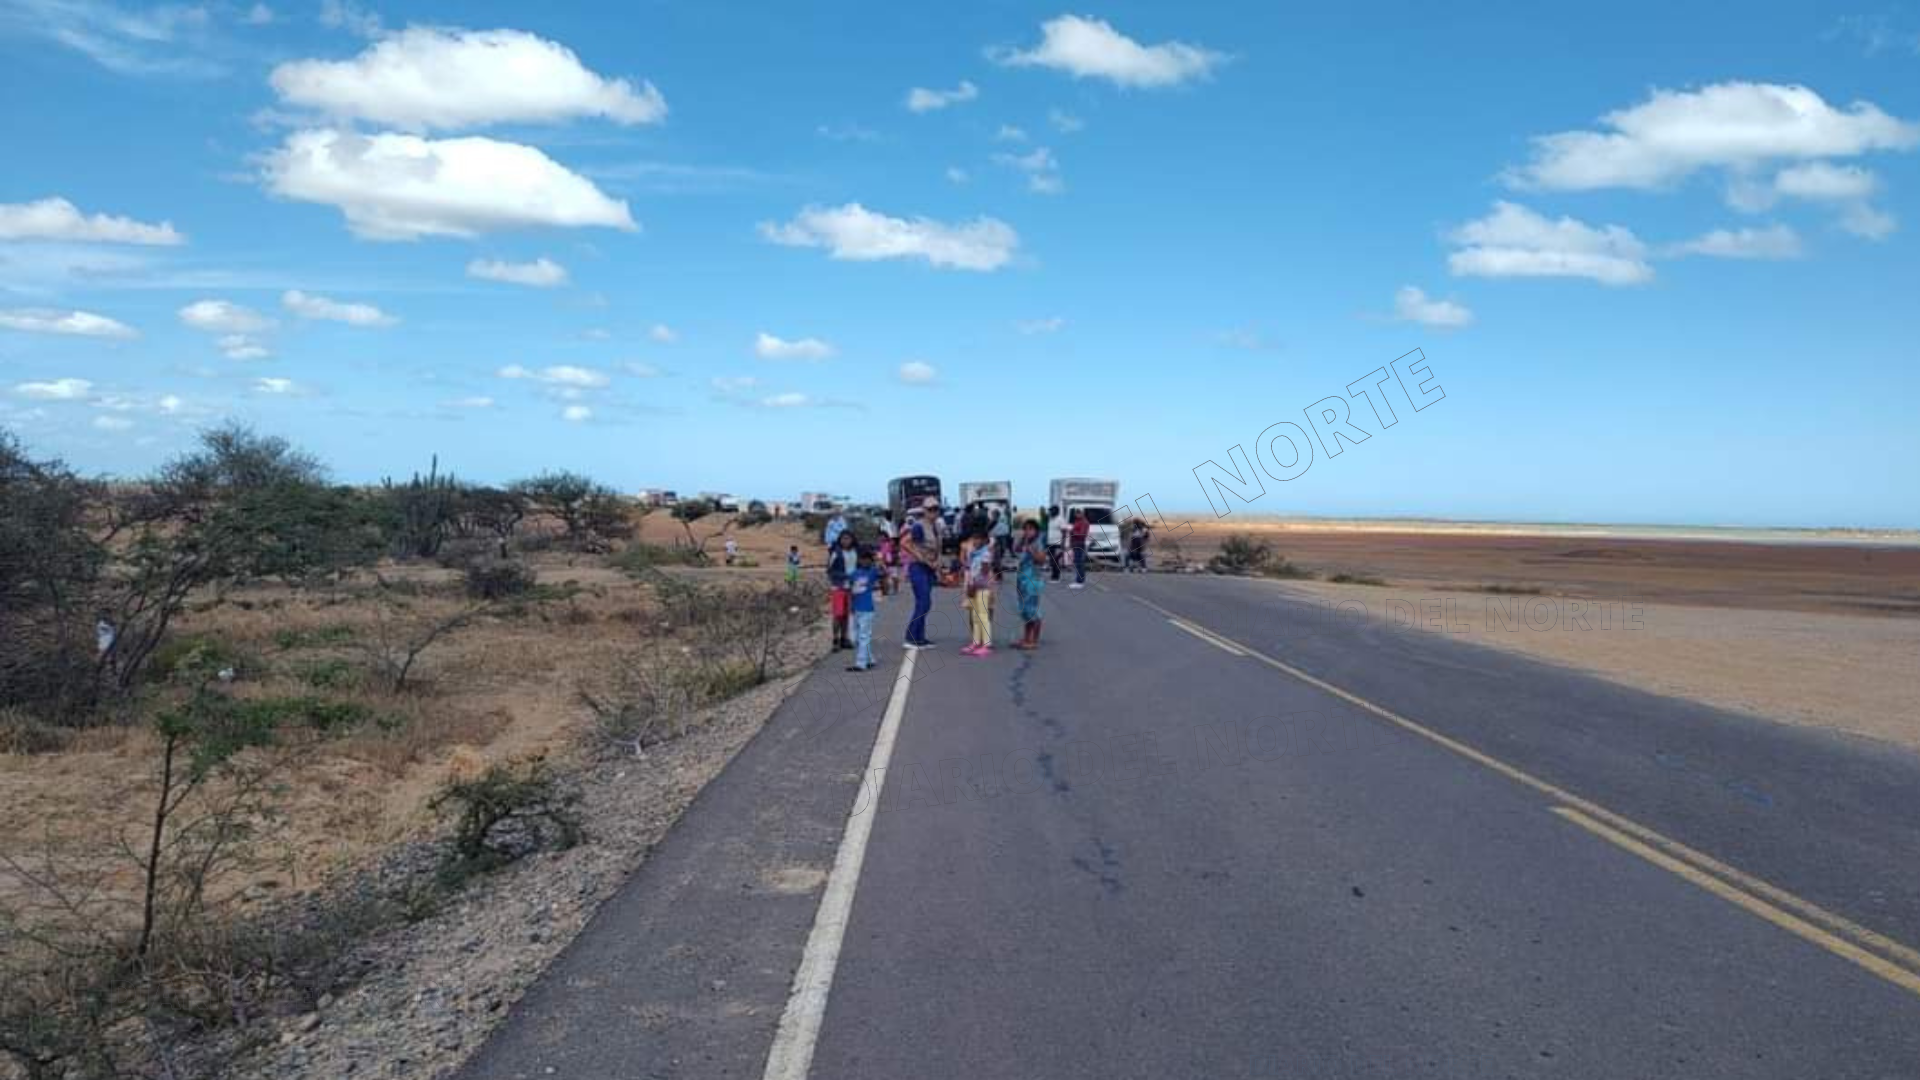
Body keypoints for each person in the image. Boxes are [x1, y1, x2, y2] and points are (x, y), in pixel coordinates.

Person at [899, 504, 938, 649]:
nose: (933, 512)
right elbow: (904, 542)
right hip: (918, 566)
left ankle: (919, 637)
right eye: (930, 509)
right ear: (925, 511)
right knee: (923, 602)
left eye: (935, 509)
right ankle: (910, 637)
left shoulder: (934, 527)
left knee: (924, 603)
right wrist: (921, 557)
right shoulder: (919, 526)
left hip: (928, 568)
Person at [846, 546, 881, 672]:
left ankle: (861, 663)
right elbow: (850, 591)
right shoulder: (853, 574)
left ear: (871, 561)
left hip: (867, 609)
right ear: (859, 560)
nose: (865, 561)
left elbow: (883, 571)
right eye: (863, 559)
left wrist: (877, 559)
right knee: (856, 636)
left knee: (863, 636)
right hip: (856, 608)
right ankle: (870, 659)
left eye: (868, 559)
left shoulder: (873, 572)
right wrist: (850, 606)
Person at [1012, 519, 1046, 650]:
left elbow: (1041, 560)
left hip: (1033, 580)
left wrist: (1032, 551)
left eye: (1030, 529)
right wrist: (1022, 540)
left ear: (1036, 531)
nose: (1027, 532)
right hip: (1022, 579)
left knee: (1032, 611)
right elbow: (1016, 549)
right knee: (1025, 611)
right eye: (1025, 529)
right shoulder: (1027, 542)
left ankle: (1034, 640)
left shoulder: (1038, 543)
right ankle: (1026, 638)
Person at [962, 527, 995, 655]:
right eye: (973, 538)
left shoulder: (985, 554)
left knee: (983, 616)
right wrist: (969, 585)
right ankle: (976, 641)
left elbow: (984, 573)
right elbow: (970, 569)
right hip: (973, 586)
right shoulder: (973, 553)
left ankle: (986, 643)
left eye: (978, 539)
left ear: (985, 540)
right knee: (975, 616)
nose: (975, 541)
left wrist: (974, 585)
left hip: (982, 587)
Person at [827, 529, 858, 650]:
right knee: (837, 615)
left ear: (852, 539)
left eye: (848, 538)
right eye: (843, 539)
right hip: (838, 587)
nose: (846, 541)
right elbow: (830, 571)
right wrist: (845, 576)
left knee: (846, 614)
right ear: (840, 540)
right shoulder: (836, 553)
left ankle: (844, 638)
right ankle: (835, 640)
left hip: (851, 588)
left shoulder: (855, 552)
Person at [1068, 508, 1090, 588]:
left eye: (1079, 513)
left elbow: (1082, 534)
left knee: (1079, 562)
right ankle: (1078, 579)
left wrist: (1073, 532)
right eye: (1076, 513)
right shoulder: (1077, 521)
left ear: (1082, 514)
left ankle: (1080, 581)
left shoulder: (1084, 522)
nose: (1077, 515)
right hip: (1075, 543)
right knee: (1077, 562)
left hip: (1080, 543)